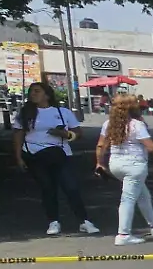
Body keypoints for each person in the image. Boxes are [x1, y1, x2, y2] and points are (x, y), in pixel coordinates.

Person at [12, 81, 98, 236]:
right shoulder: (25, 113)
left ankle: (84, 221)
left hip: (60, 154)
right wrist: (19, 157)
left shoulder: (62, 112)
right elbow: (18, 135)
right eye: (31, 92)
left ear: (47, 94)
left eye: (37, 91)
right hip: (34, 154)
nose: (33, 94)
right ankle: (54, 221)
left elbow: (78, 133)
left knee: (71, 187)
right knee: (47, 188)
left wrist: (64, 134)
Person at [96, 92, 153, 245]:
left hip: (116, 165)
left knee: (143, 196)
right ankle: (123, 234)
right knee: (128, 199)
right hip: (135, 166)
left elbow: (101, 146)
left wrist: (99, 163)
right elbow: (151, 147)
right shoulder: (136, 125)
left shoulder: (108, 124)